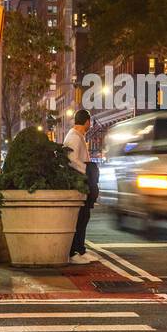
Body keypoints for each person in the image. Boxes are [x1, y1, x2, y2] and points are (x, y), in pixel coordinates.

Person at [65, 109, 99, 264]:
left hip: (82, 182)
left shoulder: (77, 137)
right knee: (80, 218)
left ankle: (80, 249)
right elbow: (72, 160)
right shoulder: (74, 138)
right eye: (89, 122)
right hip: (80, 182)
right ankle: (73, 252)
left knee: (84, 216)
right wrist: (88, 171)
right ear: (87, 121)